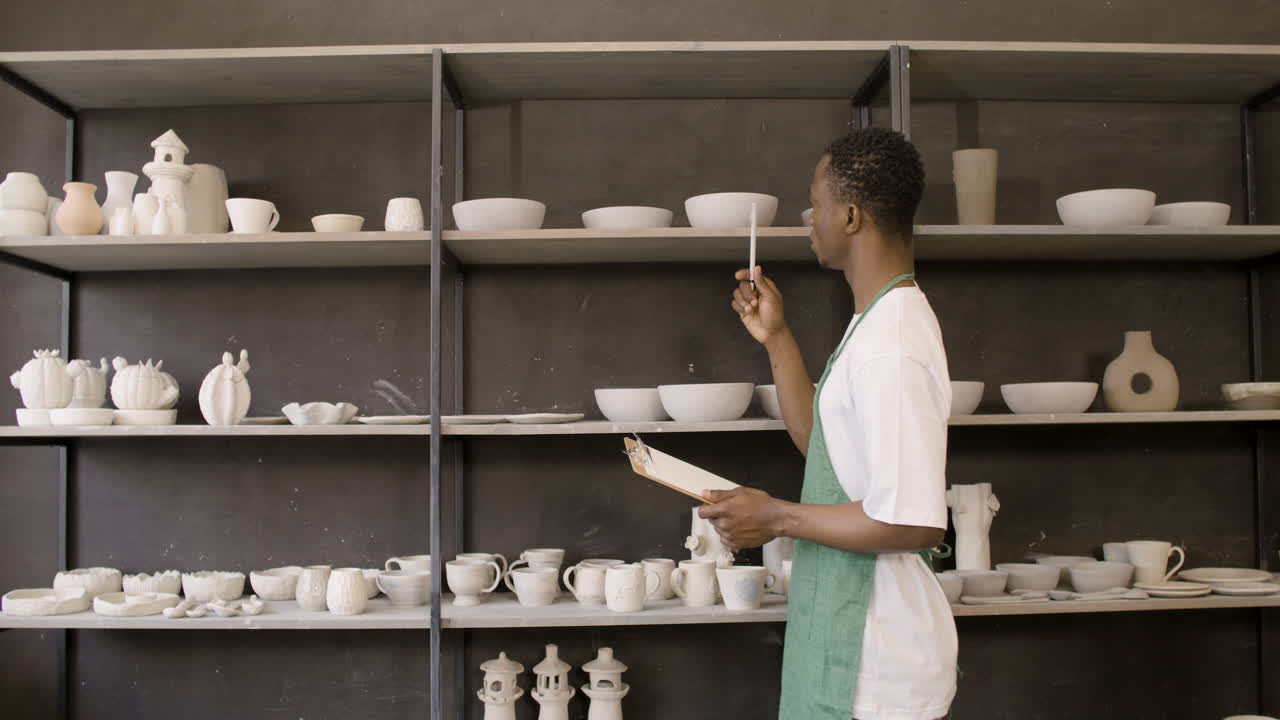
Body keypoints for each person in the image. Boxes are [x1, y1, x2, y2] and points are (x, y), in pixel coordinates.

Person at [699, 128, 957, 720]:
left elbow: (913, 522)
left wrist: (777, 516)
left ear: (849, 216)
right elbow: (823, 449)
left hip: (881, 667)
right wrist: (777, 337)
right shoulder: (874, 322)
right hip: (855, 647)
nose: (807, 217)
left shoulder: (893, 342)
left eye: (814, 202)